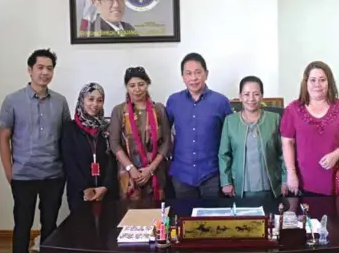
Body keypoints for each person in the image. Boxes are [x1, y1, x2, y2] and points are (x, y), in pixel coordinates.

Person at [0, 48, 71, 253]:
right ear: (30, 70)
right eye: (40, 67)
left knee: (50, 228)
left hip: (53, 176)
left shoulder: (60, 102)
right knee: (22, 229)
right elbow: (4, 138)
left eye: (49, 68)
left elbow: (67, 139)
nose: (45, 73)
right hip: (23, 177)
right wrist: (10, 172)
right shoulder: (12, 100)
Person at [280, 61, 339, 197]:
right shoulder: (293, 109)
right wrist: (291, 173)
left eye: (322, 80)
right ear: (306, 83)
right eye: (313, 80)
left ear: (329, 82)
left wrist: (337, 154)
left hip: (337, 181)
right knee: (308, 218)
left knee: (337, 218)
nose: (317, 84)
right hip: (304, 182)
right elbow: (287, 143)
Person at [166, 53, 233, 199]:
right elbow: (164, 135)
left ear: (206, 74)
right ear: (183, 76)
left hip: (213, 174)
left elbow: (231, 139)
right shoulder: (173, 101)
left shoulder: (221, 102)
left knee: (214, 220)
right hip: (181, 174)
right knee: (184, 219)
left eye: (198, 72)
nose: (193, 78)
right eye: (188, 73)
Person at [219, 76, 288, 199]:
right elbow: (224, 155)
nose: (251, 99)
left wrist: (285, 180)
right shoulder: (230, 121)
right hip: (241, 187)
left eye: (256, 94)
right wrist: (226, 182)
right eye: (246, 94)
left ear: (262, 96)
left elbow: (284, 153)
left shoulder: (274, 119)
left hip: (271, 186)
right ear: (240, 96)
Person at [109, 67, 171, 201]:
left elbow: (166, 141)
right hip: (129, 174)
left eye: (141, 84)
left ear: (148, 84)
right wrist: (131, 168)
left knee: (156, 216)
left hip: (155, 172)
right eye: (132, 85)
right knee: (130, 216)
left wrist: (151, 168)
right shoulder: (119, 111)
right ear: (126, 87)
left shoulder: (158, 109)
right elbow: (114, 143)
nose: (137, 89)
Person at [61, 82, 118, 213]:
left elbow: (113, 159)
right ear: (82, 100)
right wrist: (85, 188)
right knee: (81, 230)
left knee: (107, 229)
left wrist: (105, 187)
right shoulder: (70, 128)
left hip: (106, 192)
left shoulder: (107, 128)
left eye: (100, 100)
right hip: (80, 192)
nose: (95, 104)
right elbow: (69, 160)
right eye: (90, 99)